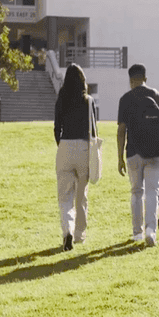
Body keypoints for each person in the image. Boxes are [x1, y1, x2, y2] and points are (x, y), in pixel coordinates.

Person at [116, 63, 159, 247]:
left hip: (134, 153)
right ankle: (151, 231)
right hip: (157, 153)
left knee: (136, 192)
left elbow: (121, 130)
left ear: (131, 80)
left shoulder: (125, 99)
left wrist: (119, 158)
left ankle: (137, 233)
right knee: (152, 192)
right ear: (145, 79)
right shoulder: (158, 96)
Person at [53, 64, 97, 251]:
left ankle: (67, 232)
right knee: (81, 195)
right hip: (83, 147)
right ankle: (79, 235)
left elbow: (56, 127)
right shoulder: (88, 100)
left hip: (65, 145)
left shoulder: (61, 98)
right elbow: (94, 130)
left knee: (65, 196)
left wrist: (61, 144)